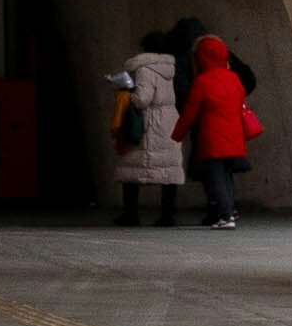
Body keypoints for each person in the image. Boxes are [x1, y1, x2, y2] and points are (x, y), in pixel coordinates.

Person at [178, 31, 261, 226]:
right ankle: (230, 210)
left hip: (212, 138)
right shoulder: (234, 79)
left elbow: (190, 112)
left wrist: (177, 135)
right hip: (235, 137)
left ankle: (225, 215)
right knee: (227, 176)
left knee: (215, 177)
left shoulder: (202, 81)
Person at [107, 34, 184, 228]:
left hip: (150, 122)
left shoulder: (144, 69)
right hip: (169, 120)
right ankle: (168, 215)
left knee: (131, 166)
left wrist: (126, 92)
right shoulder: (171, 68)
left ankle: (130, 214)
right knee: (168, 168)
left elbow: (143, 99)